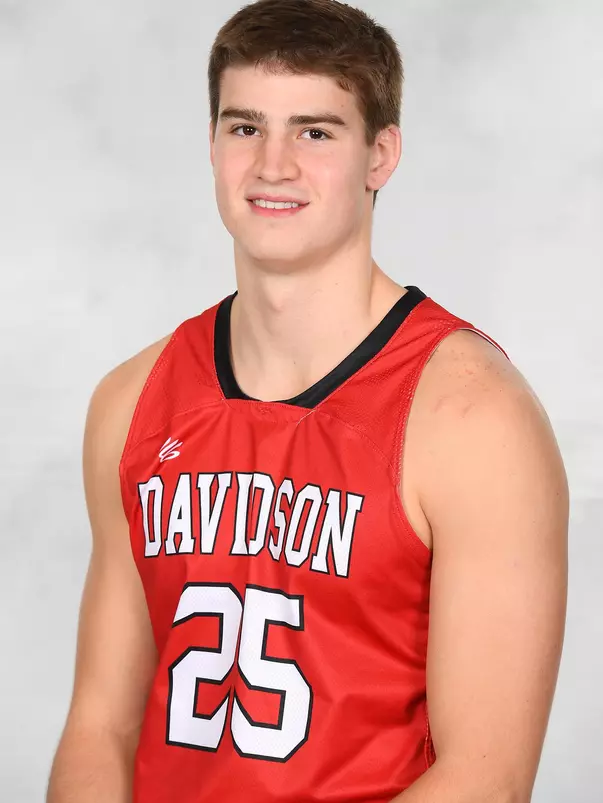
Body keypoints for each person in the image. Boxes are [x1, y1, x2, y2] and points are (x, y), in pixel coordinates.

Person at [46, 1, 569, 801]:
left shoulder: (472, 419)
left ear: (379, 155)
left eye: (314, 132)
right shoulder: (130, 400)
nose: (273, 165)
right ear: (213, 143)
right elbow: (99, 725)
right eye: (245, 127)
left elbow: (486, 778)